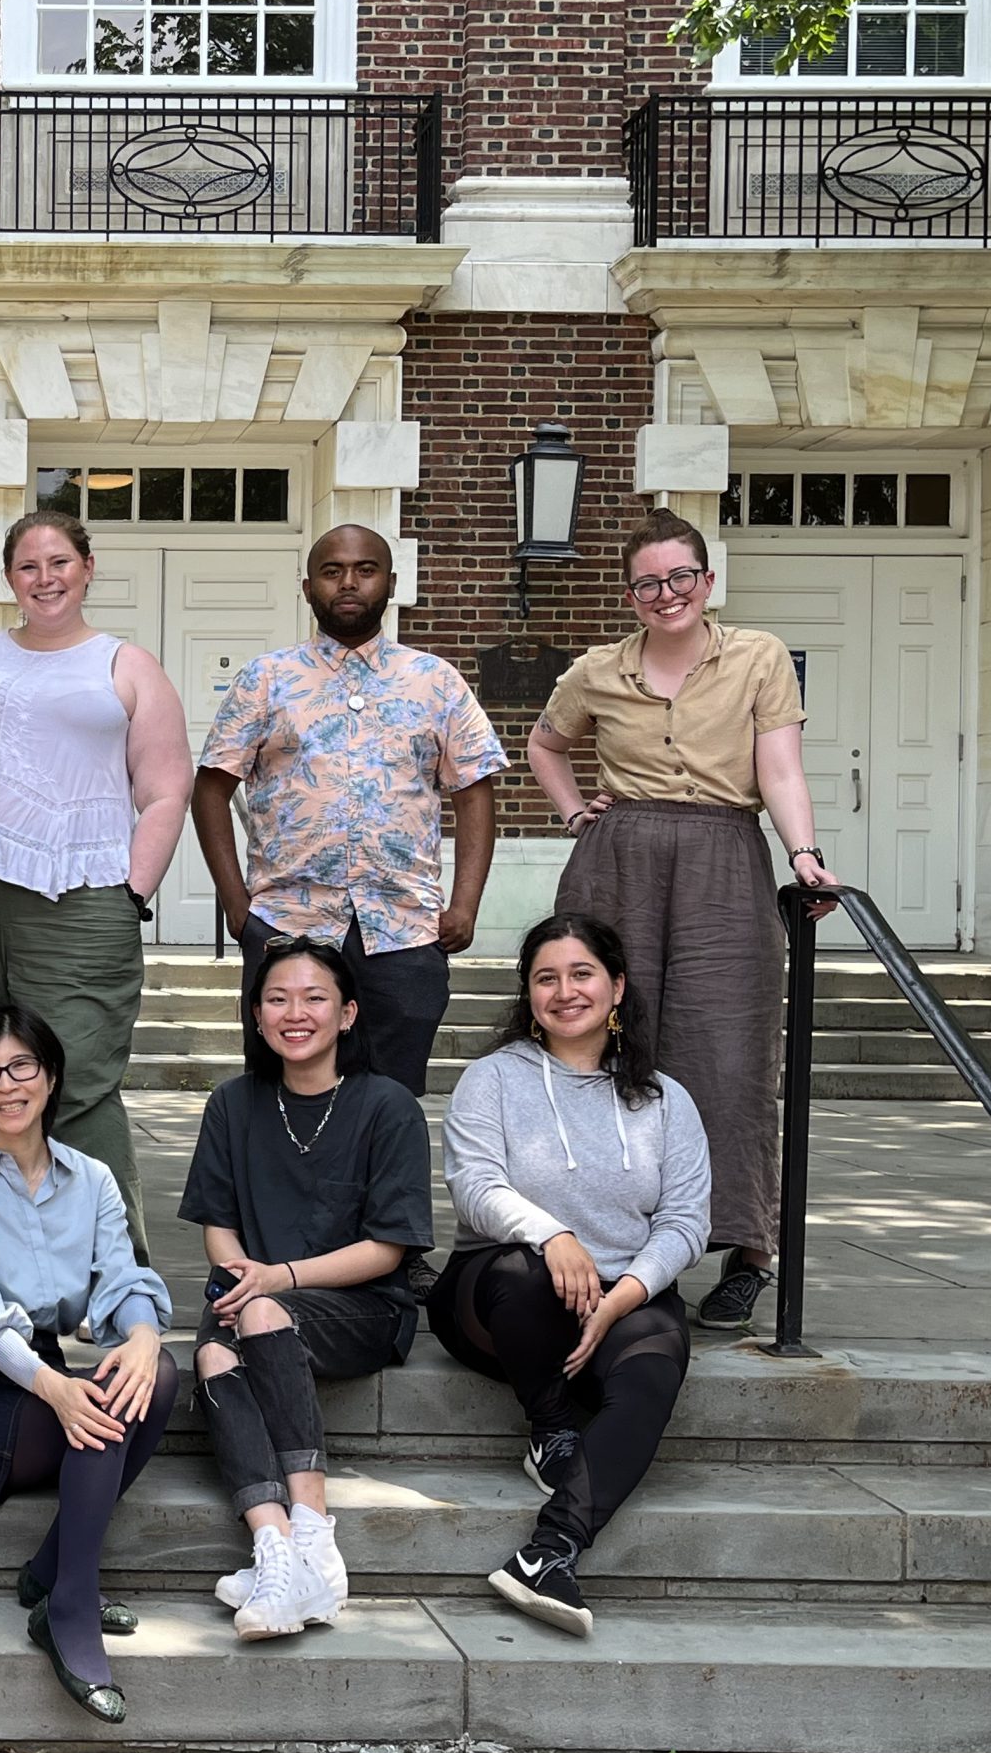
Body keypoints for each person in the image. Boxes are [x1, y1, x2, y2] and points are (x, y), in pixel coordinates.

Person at [527, 508, 840, 1334]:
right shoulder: (597, 670)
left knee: (729, 1058)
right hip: (619, 856)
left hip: (723, 857)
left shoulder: (759, 657)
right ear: (630, 593)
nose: (665, 594)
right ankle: (608, 1240)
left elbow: (779, 766)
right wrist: (571, 813)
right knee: (602, 1045)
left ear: (707, 580)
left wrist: (804, 853)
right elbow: (545, 745)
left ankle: (744, 1250)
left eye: (680, 577)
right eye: (647, 582)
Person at [191, 522, 503, 1300]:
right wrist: (238, 903)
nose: (350, 584)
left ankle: (392, 1249)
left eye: (366, 570)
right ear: (308, 586)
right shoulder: (268, 679)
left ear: (391, 582)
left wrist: (462, 902)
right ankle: (265, 1248)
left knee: (393, 1094)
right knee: (276, 1086)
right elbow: (211, 787)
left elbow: (475, 791)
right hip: (292, 921)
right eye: (332, 571)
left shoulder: (435, 680)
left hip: (402, 926)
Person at [0, 509, 192, 1258]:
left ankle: (115, 1270)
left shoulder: (126, 665)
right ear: (9, 580)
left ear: (87, 568)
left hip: (81, 893)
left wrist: (133, 890)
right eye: (29, 567)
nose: (45, 578)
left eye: (59, 562)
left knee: (77, 1074)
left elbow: (165, 787)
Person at [435, 913, 710, 1639]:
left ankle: (549, 1551)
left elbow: (686, 1222)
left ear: (616, 987)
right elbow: (474, 1185)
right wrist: (553, 1234)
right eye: (546, 978)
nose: (565, 992)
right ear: (528, 995)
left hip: (621, 1293)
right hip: (498, 1297)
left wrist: (623, 1297)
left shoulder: (665, 1101)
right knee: (526, 1276)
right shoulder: (491, 1080)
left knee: (654, 1373)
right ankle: (552, 1427)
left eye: (582, 974)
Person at [0, 1004, 177, 1726]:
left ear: (50, 1076)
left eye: (21, 1066)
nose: (7, 1084)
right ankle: (70, 1607)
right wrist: (59, 1389)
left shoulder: (91, 1180)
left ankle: (51, 1577)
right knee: (103, 1407)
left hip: (46, 1379)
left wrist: (145, 1335)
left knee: (157, 1375)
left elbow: (121, 1281)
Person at [184, 935, 428, 1640]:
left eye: (315, 997)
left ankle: (315, 1529)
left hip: (360, 1307)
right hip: (249, 1294)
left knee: (259, 1319)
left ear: (348, 1013)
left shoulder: (388, 1107)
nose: (296, 1012)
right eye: (277, 998)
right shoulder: (233, 1104)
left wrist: (276, 1281)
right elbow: (219, 1229)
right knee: (211, 1356)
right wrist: (244, 1278)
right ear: (256, 1015)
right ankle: (275, 1547)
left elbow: (388, 1248)